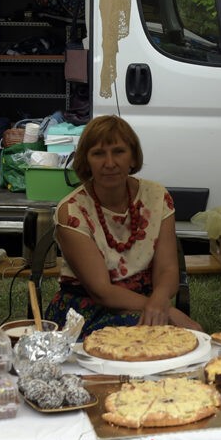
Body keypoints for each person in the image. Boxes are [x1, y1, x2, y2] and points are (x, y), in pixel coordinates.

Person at [43, 115, 202, 335]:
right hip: (86, 312)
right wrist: (165, 310)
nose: (110, 163)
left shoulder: (157, 197)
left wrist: (159, 301)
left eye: (118, 151)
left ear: (133, 158)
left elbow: (167, 269)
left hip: (144, 304)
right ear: (86, 161)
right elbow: (102, 292)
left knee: (180, 338)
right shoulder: (72, 210)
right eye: (98, 154)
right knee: (154, 338)